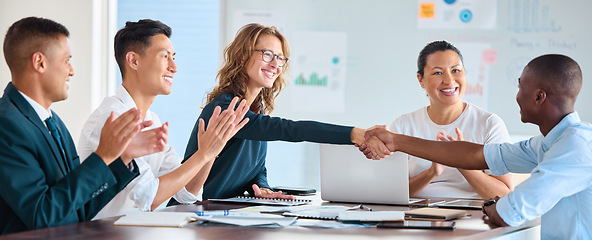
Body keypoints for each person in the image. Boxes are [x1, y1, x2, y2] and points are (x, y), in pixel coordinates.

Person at [362, 54, 591, 239]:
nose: (517, 96)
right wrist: (397, 141)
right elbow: (477, 154)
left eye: (521, 88)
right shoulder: (549, 142)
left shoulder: (575, 149)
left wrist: (491, 206)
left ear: (539, 97)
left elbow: (509, 212)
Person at [0, 17, 167, 234]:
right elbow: (43, 215)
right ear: (40, 62)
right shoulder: (6, 125)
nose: (72, 71)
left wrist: (122, 157)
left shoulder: (55, 123)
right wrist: (103, 156)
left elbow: (79, 210)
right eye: (66, 60)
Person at [182, 23, 380, 200]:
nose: (276, 64)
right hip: (191, 213)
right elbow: (291, 130)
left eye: (280, 58)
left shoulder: (255, 113)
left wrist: (262, 187)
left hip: (222, 214)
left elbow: (257, 168)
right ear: (242, 55)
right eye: (267, 54)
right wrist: (355, 134)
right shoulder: (225, 108)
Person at [77, 19, 249, 219]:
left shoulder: (152, 119)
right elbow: (150, 197)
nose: (174, 67)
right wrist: (202, 155)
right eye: (165, 57)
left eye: (173, 57)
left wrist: (212, 152)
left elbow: (187, 193)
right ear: (133, 61)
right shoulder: (113, 118)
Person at [389, 41, 512, 199]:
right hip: (415, 215)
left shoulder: (489, 124)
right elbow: (391, 194)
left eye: (456, 70)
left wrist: (462, 162)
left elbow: (503, 194)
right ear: (421, 80)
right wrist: (431, 173)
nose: (449, 80)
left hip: (473, 217)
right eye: (438, 73)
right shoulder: (403, 125)